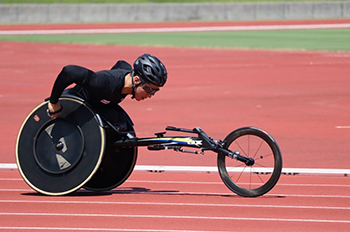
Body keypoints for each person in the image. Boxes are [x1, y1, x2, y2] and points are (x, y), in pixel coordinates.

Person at [47, 53, 167, 131]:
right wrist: (54, 102)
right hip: (69, 109)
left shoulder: (128, 79)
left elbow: (122, 63)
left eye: (155, 91)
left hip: (93, 109)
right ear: (136, 80)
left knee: (119, 120)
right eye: (150, 90)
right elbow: (70, 71)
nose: (150, 95)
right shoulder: (104, 83)